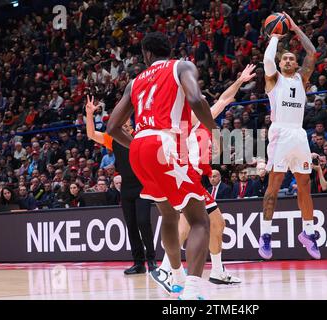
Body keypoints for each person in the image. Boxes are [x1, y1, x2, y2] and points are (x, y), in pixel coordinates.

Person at [107, 32, 218, 300]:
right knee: (200, 220)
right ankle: (191, 292)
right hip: (165, 142)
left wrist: (136, 143)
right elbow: (195, 99)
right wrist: (213, 128)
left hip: (139, 150)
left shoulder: (134, 82)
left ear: (146, 54)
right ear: (170, 50)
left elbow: (111, 126)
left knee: (168, 215)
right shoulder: (182, 66)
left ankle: (177, 279)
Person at [151, 64, 257, 292]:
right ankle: (166, 268)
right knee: (188, 223)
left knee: (217, 223)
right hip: (183, 177)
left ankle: (217, 272)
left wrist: (239, 80)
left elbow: (224, 99)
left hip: (192, 179)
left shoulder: (199, 117)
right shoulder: (183, 123)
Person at [259, 13, 321, 260]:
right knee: (274, 185)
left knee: (304, 185)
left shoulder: (301, 78)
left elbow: (313, 52)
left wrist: (295, 28)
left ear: (296, 65)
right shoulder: (273, 80)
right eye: (283, 58)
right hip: (280, 132)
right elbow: (266, 59)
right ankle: (265, 234)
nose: (286, 60)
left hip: (299, 134)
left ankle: (308, 232)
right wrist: (274, 37)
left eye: (290, 58)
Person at [86, 96, 157, 275]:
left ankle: (152, 261)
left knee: (143, 222)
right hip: (126, 188)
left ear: (131, 126)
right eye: (120, 124)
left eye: (126, 124)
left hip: (143, 186)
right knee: (131, 226)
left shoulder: (140, 137)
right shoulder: (113, 139)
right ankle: (138, 263)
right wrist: (89, 115)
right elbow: (91, 135)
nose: (123, 127)